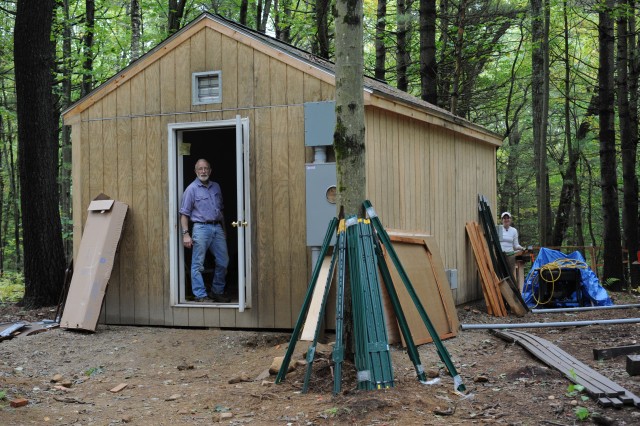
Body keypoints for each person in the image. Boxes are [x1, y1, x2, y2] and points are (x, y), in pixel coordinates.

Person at [180, 159, 231, 303]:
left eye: (206, 168)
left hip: (217, 227)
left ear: (210, 170)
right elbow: (184, 214)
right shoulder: (191, 189)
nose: (203, 171)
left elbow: (220, 212)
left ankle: (217, 291)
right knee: (198, 263)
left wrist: (224, 231)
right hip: (200, 228)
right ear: (196, 171)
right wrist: (186, 234)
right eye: (200, 169)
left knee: (223, 261)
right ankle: (200, 295)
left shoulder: (216, 187)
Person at [498, 211, 524, 290]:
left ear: (510, 220)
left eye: (507, 218)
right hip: (500, 254)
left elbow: (516, 245)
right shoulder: (499, 229)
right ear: (502, 220)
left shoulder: (514, 230)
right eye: (504, 218)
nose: (506, 220)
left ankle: (511, 290)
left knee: (510, 273)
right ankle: (501, 290)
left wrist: (522, 248)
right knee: (500, 272)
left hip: (510, 254)